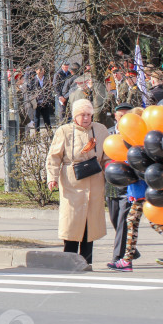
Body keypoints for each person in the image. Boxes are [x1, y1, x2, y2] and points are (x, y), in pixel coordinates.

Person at [46, 99, 110, 266]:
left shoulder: (100, 130)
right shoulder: (64, 131)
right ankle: (68, 259)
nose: (86, 118)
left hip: (94, 180)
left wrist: (111, 171)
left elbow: (108, 155)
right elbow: (54, 157)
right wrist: (52, 177)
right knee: (72, 222)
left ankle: (86, 261)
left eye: (89, 115)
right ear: (75, 116)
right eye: (83, 115)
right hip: (71, 181)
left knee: (90, 222)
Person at [106, 103, 135, 265]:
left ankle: (118, 256)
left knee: (123, 220)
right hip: (111, 183)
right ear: (115, 117)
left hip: (128, 182)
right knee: (114, 218)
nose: (123, 118)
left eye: (126, 115)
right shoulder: (109, 134)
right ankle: (131, 250)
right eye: (120, 116)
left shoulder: (135, 135)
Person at [108, 178, 146, 272]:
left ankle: (120, 257)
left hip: (130, 187)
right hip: (112, 186)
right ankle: (129, 253)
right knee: (117, 221)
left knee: (125, 223)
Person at [26, 63, 54, 132]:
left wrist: (48, 99)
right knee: (36, 119)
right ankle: (37, 135)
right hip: (36, 103)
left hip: (45, 102)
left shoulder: (47, 80)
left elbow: (49, 90)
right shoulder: (33, 80)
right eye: (39, 70)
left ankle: (50, 134)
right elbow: (30, 91)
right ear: (36, 71)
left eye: (42, 70)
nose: (41, 72)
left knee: (47, 119)